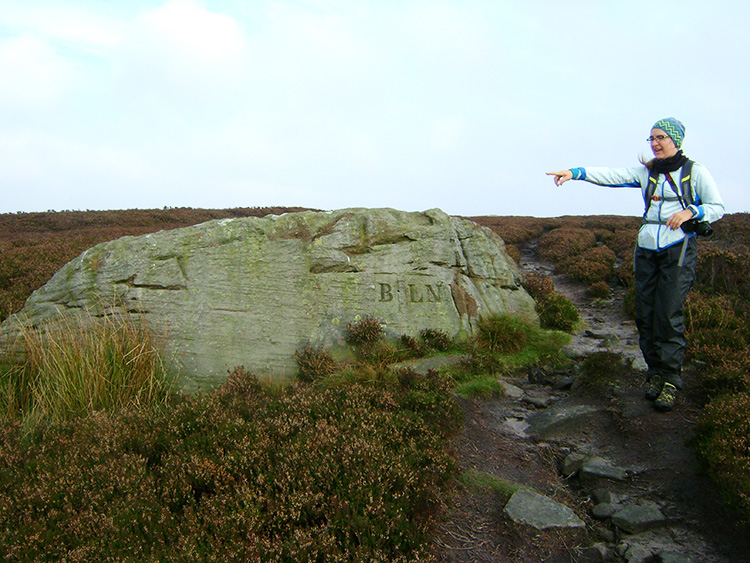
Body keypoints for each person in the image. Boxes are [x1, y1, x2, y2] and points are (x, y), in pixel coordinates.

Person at [547, 117, 725, 412]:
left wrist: (691, 212)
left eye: (661, 138)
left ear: (676, 140)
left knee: (668, 314)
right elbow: (613, 175)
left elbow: (717, 207)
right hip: (645, 249)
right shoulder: (647, 173)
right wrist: (575, 172)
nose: (655, 144)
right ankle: (654, 373)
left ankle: (670, 380)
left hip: (677, 248)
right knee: (644, 312)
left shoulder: (695, 172)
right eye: (651, 139)